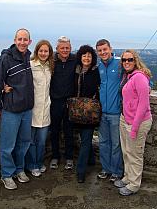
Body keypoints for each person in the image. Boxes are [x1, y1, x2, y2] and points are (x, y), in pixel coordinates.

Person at [0, 28, 34, 190]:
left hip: (27, 109)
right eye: (19, 39)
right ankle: (7, 174)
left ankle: (19, 169)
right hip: (11, 109)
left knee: (24, 142)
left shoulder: (29, 57)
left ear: (30, 41)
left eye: (25, 40)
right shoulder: (6, 59)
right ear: (15, 40)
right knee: (7, 145)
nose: (22, 42)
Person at [114, 49, 152, 196]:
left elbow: (143, 105)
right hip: (125, 119)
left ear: (135, 60)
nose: (126, 62)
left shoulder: (140, 78)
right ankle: (128, 177)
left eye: (130, 59)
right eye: (124, 60)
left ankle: (134, 184)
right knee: (126, 151)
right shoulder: (127, 76)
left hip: (138, 122)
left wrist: (134, 127)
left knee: (135, 154)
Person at [23, 40, 54, 177]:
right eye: (41, 51)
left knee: (41, 141)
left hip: (45, 109)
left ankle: (39, 163)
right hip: (32, 109)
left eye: (46, 51)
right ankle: (31, 165)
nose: (43, 53)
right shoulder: (30, 65)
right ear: (36, 52)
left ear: (49, 53)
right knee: (31, 141)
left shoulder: (50, 67)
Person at [96, 39, 124, 182]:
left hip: (115, 112)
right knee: (103, 142)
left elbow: (140, 74)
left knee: (116, 143)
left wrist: (148, 85)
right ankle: (106, 169)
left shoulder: (120, 64)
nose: (103, 52)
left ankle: (116, 171)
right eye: (100, 50)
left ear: (110, 49)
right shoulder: (99, 66)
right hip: (102, 112)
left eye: (105, 49)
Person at [73, 45, 100, 183]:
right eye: (84, 55)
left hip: (89, 112)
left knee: (85, 140)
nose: (87, 58)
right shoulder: (76, 70)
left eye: (89, 55)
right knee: (84, 139)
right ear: (80, 57)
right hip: (76, 111)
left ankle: (80, 171)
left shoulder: (96, 71)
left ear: (93, 57)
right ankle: (91, 160)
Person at [49, 36, 77, 170]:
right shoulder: (51, 61)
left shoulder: (75, 60)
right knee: (54, 130)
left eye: (67, 48)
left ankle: (69, 157)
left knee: (69, 131)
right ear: (57, 49)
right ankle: (55, 156)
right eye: (62, 48)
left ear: (71, 49)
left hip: (70, 102)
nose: (65, 50)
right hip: (55, 102)